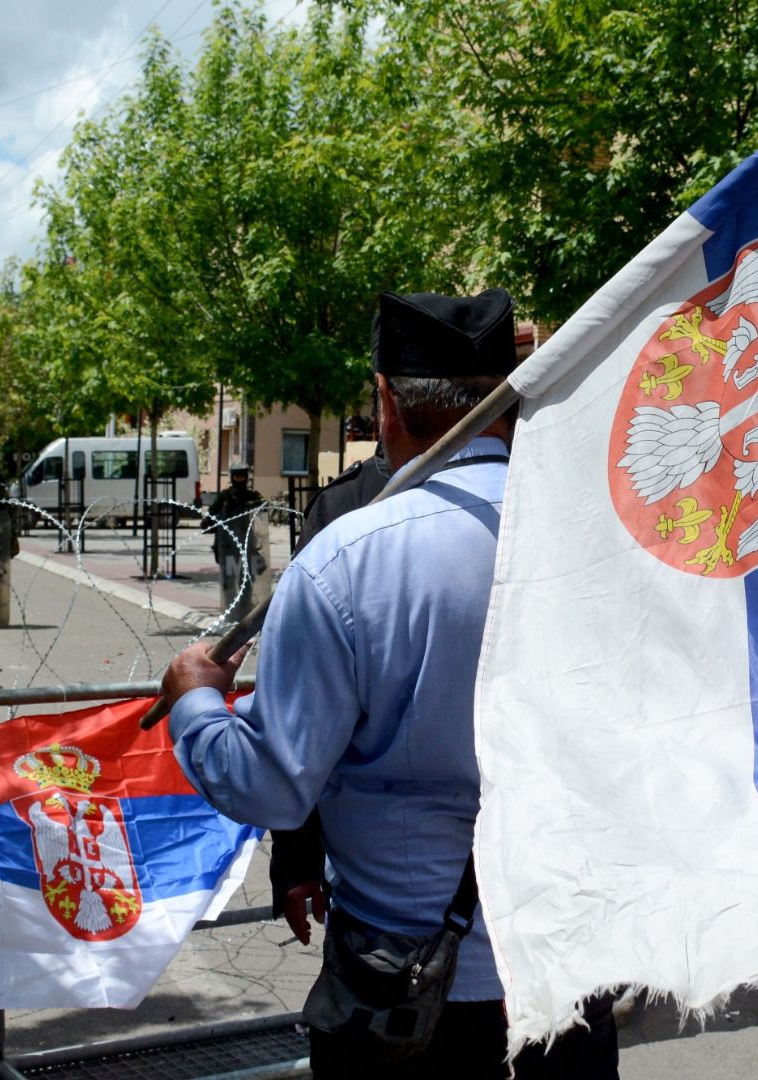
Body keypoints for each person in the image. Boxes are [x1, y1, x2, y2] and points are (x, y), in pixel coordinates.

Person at [161, 289, 618, 1078]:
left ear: (387, 402)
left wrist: (195, 700)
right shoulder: (602, 540)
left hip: (407, 998)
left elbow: (273, 786)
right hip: (572, 976)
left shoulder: (349, 562)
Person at [270, 444, 393, 944]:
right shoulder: (535, 484)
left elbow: (301, 706)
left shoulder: (349, 505)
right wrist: (297, 852)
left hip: (380, 878)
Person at [202, 462, 265, 619]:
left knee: (247, 580)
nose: (239, 479)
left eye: (242, 476)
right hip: (227, 546)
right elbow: (209, 519)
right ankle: (230, 612)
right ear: (231, 477)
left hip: (247, 545)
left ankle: (244, 611)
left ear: (246, 477)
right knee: (228, 581)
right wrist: (215, 519)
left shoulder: (253, 497)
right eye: (236, 476)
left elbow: (264, 510)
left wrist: (255, 507)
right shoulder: (224, 497)